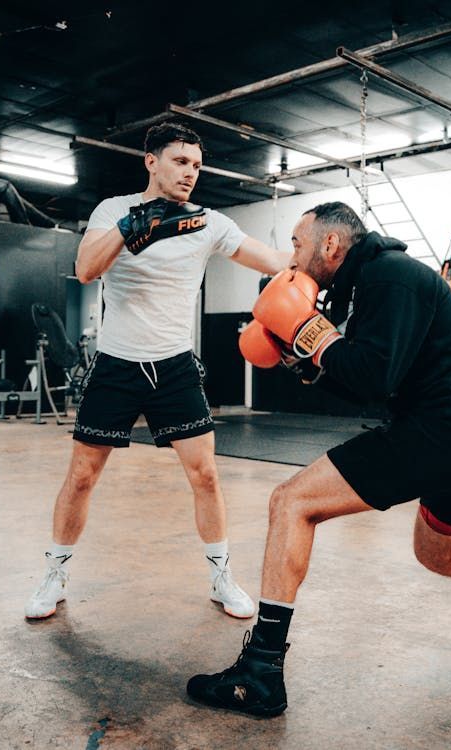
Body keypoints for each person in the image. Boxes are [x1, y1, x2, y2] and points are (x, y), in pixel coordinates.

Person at [186, 202, 451, 716]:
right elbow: (365, 381)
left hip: (446, 432)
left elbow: (373, 376)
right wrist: (303, 359)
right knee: (438, 553)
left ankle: (260, 672)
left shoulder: (389, 277)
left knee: (291, 502)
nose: (291, 259)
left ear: (330, 245)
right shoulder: (372, 283)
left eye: (297, 244)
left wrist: (308, 332)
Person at [24, 122, 292, 621]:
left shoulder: (209, 222)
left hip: (174, 367)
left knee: (205, 475)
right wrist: (132, 227)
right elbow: (86, 269)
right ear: (151, 161)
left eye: (197, 165)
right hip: (116, 364)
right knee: (81, 476)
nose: (191, 172)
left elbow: (275, 260)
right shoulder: (113, 210)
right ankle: (54, 575)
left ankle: (221, 576)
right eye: (180, 161)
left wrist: (335, 256)